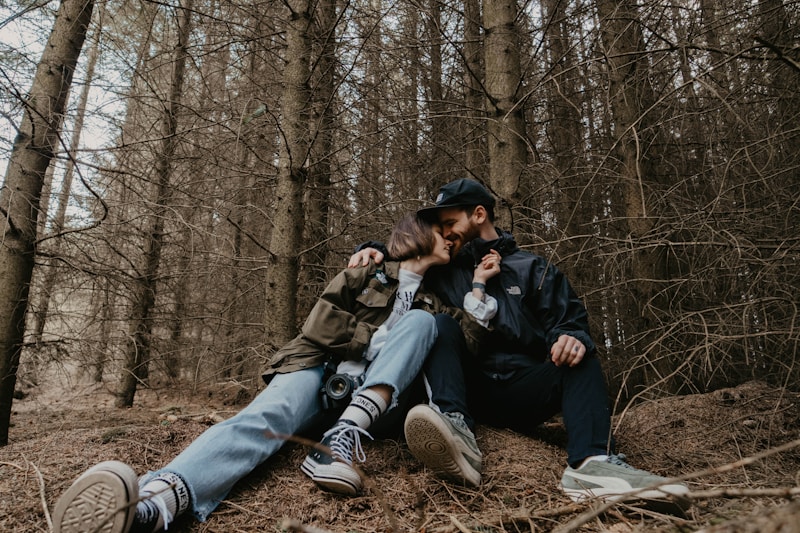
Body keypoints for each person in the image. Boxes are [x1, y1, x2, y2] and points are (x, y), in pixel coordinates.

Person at [52, 214, 501, 533]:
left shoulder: (433, 306)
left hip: (371, 405)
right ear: (416, 235)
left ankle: (341, 439)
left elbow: (460, 353)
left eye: (454, 237)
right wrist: (376, 338)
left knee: (423, 324)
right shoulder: (364, 273)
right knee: (263, 420)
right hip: (316, 370)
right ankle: (154, 505)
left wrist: (479, 288)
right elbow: (319, 325)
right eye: (443, 233)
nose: (451, 240)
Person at [350, 178, 689, 504]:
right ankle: (455, 432)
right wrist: (373, 249)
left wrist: (569, 338)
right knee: (439, 324)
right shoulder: (446, 268)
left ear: (479, 214)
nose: (446, 233)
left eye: (450, 221)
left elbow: (568, 320)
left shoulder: (534, 269)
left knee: (581, 354)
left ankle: (592, 466)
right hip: (467, 387)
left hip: (523, 389)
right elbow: (407, 258)